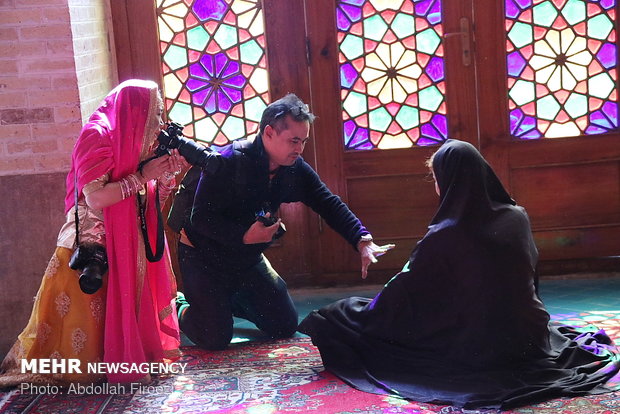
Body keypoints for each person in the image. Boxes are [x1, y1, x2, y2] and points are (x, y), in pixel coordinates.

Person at [298, 139, 620, 409]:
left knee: (338, 317)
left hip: (475, 347)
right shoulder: (516, 217)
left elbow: (405, 295)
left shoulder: (447, 233)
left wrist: (367, 313)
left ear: (451, 180)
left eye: (437, 179)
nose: (437, 188)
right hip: (526, 336)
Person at [0, 79, 186, 386]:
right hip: (90, 246)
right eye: (155, 114)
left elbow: (145, 204)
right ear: (135, 110)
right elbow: (96, 197)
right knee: (73, 345)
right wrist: (142, 175)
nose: (158, 124)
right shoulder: (97, 136)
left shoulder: (136, 142)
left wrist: (164, 178)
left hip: (126, 246)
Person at [173, 93, 394, 350]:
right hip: (203, 256)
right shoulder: (228, 161)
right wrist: (244, 236)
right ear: (268, 133)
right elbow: (199, 219)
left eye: (303, 141)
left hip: (245, 258)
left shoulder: (294, 168)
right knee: (214, 338)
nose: (299, 149)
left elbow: (327, 202)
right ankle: (180, 304)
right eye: (293, 141)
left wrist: (362, 239)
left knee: (284, 325)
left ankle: (222, 302)